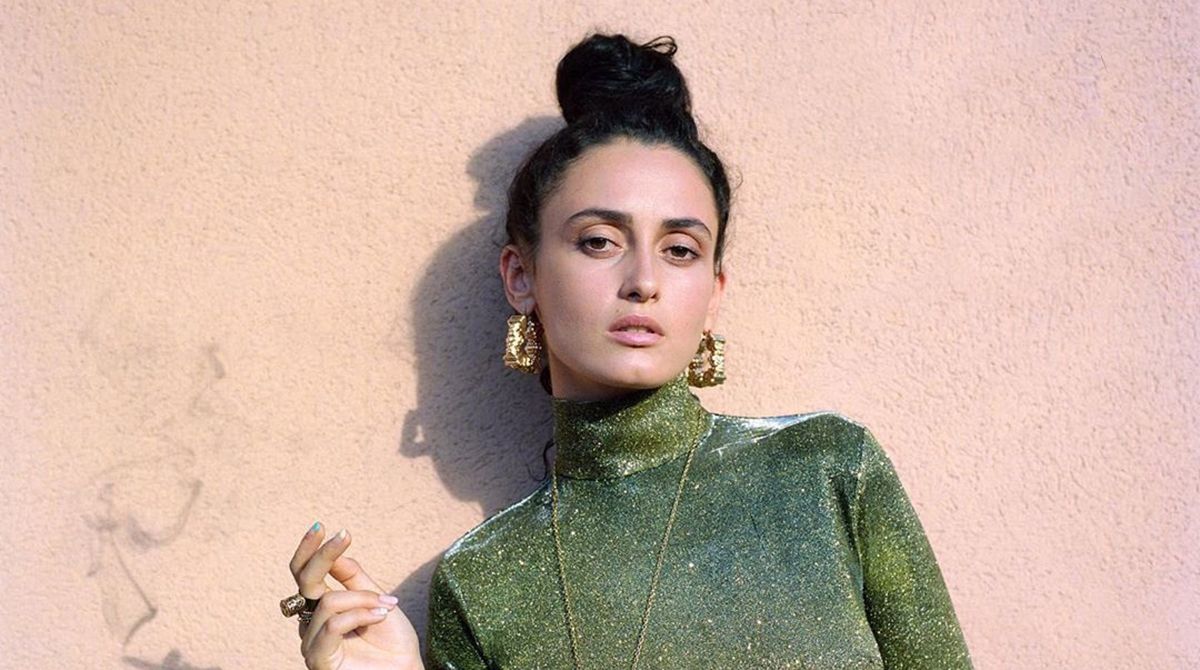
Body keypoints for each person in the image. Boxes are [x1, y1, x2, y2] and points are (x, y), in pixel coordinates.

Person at [282, 32, 973, 670]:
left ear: (713, 293)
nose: (644, 280)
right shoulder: (483, 583)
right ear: (521, 277)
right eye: (599, 241)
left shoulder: (825, 470)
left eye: (681, 250)